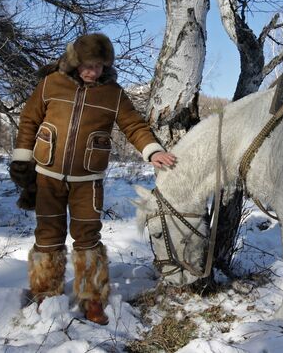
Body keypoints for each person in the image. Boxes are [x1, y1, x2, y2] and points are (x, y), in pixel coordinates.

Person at [9, 33, 175, 325]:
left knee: (88, 240)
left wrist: (152, 151)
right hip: (47, 175)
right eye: (87, 64)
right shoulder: (51, 84)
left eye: (98, 66)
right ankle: (47, 295)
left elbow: (134, 125)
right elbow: (28, 121)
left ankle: (92, 299)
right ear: (75, 61)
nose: (92, 71)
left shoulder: (113, 93)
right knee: (48, 237)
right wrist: (22, 159)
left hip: (89, 181)